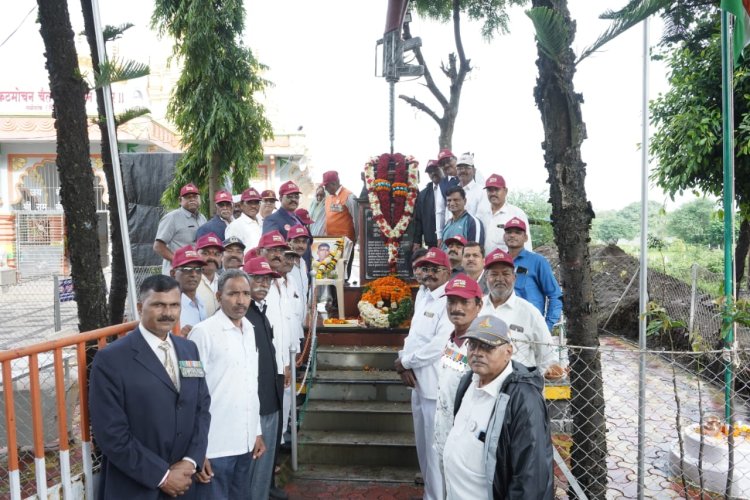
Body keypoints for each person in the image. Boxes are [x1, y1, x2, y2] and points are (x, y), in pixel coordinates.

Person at [89, 275, 211, 500]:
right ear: (139, 307)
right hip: (136, 487)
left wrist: (191, 460)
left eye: (174, 305)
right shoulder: (111, 359)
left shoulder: (188, 350)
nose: (168, 313)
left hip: (185, 482)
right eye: (158, 305)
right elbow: (110, 434)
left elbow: (201, 408)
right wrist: (163, 476)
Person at [445, 315, 554, 499]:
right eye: (472, 344)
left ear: (508, 351)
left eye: (487, 346)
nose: (477, 352)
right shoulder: (468, 382)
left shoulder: (524, 400)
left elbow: (530, 479)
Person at [188, 269, 266, 500]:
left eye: (245, 293)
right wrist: (196, 451)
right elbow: (190, 393)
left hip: (245, 444)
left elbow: (250, 384)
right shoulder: (202, 333)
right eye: (233, 294)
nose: (240, 300)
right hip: (213, 448)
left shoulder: (250, 330)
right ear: (218, 296)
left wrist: (257, 431)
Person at [394, 248, 453, 500]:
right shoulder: (423, 295)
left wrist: (405, 361)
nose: (429, 274)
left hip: (435, 385)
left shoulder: (450, 299)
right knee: (423, 448)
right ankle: (430, 493)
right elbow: (415, 336)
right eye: (425, 269)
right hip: (417, 383)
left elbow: (439, 345)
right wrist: (405, 362)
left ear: (447, 272)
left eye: (435, 269)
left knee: (435, 449)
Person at [433, 274, 483, 491]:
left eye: (464, 302)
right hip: (444, 436)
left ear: (479, 305)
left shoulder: (483, 346)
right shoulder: (451, 339)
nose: (457, 308)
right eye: (452, 301)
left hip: (469, 445)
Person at [243, 257, 287, 500]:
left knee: (261, 473)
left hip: (270, 399)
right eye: (257, 278)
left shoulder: (260, 311)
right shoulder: (241, 315)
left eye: (267, 279)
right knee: (250, 471)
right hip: (254, 405)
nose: (263, 284)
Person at [480, 248, 556, 374]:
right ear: (486, 277)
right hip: (481, 385)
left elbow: (547, 356)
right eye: (494, 274)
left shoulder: (530, 313)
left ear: (514, 277)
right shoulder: (477, 308)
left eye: (505, 274)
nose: (500, 279)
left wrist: (530, 386)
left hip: (517, 388)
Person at [503, 217, 562, 330]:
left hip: (529, 326)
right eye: (509, 232)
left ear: (525, 237)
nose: (512, 235)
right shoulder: (499, 263)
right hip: (503, 326)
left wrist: (547, 326)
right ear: (504, 237)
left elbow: (555, 295)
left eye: (517, 232)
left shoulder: (537, 261)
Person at [154, 183, 207, 274]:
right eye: (188, 197)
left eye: (195, 196)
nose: (192, 199)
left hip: (196, 272)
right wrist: (179, 261)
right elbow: (158, 246)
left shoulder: (202, 218)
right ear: (180, 200)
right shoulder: (172, 217)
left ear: (199, 198)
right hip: (177, 273)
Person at [480, 174, 532, 255]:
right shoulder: (481, 214)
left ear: (505, 191)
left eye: (496, 189)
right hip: (484, 264)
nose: (493, 193)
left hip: (507, 265)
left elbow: (526, 244)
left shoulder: (516, 213)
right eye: (490, 190)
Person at [170, 245, 207, 336]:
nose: (194, 274)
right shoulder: (170, 307)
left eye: (198, 270)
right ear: (173, 273)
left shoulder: (201, 302)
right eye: (187, 269)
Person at [441, 186, 484, 251]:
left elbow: (475, 251)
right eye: (449, 200)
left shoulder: (473, 222)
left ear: (465, 201)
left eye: (456, 200)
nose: (452, 203)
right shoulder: (447, 224)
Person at [413, 160, 442, 249]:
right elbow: (419, 220)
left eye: (435, 169)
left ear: (441, 169)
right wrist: (417, 241)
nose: (433, 173)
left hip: (450, 242)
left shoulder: (451, 188)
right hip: (432, 243)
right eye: (430, 172)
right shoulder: (423, 195)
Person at [225, 187, 263, 253]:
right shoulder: (235, 226)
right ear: (242, 205)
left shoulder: (262, 222)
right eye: (249, 202)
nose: (253, 206)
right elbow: (232, 254)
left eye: (256, 202)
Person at [435, 149, 459, 246]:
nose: (446, 165)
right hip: (450, 228)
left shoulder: (472, 175)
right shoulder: (442, 184)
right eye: (442, 164)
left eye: (448, 161)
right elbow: (440, 211)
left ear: (455, 159)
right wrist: (439, 235)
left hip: (469, 226)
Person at [195, 233, 223, 317]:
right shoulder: (190, 284)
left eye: (216, 254)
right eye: (206, 253)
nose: (212, 258)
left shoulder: (223, 282)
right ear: (196, 254)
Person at [455, 153, 490, 217]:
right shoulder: (453, 191)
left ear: (474, 171)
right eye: (459, 168)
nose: (463, 171)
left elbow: (482, 218)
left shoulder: (482, 192)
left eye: (466, 167)